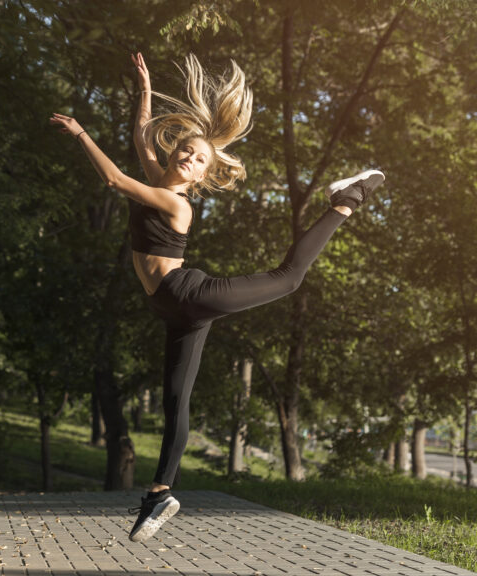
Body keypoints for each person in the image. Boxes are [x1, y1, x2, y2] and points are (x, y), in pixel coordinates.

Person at [48, 52, 384, 542]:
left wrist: (81, 133)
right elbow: (143, 136)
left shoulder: (173, 201)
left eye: (199, 159)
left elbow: (113, 179)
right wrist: (144, 89)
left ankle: (348, 198)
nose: (189, 158)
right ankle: (160, 494)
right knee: (175, 401)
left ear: (203, 175)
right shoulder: (157, 180)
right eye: (186, 150)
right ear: (175, 153)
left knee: (289, 278)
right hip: (172, 309)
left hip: (189, 294)